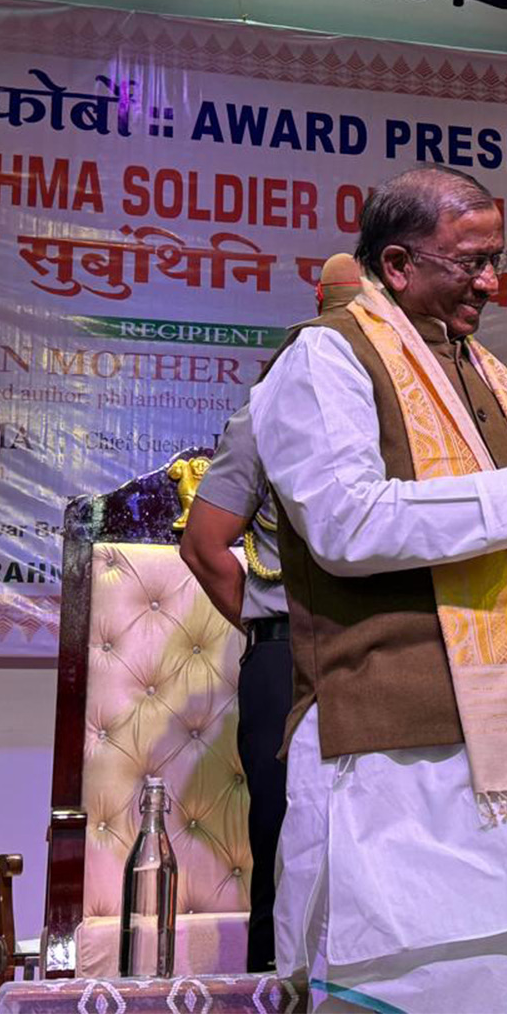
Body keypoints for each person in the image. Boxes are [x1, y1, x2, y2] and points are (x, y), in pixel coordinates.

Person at [254, 167, 507, 1013]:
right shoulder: (326, 357)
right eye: (470, 262)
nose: (491, 282)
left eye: (497, 260)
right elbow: (345, 524)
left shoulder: (497, 380)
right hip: (400, 756)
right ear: (397, 265)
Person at [180, 253, 363, 974]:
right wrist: (270, 627)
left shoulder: (397, 411)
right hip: (288, 657)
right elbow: (205, 545)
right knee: (287, 845)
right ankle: (273, 994)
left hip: (379, 650)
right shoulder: (270, 407)